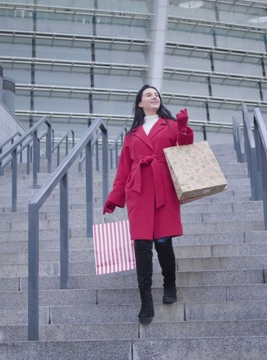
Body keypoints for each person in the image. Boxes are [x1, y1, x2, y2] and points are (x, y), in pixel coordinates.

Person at [103, 84, 194, 324]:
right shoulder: (132, 134)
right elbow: (124, 168)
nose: (154, 97)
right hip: (139, 190)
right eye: (148, 95)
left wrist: (183, 127)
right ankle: (145, 300)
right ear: (140, 104)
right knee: (142, 246)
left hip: (163, 186)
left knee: (164, 242)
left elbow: (185, 148)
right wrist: (114, 199)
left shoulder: (171, 124)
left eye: (156, 94)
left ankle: (170, 285)